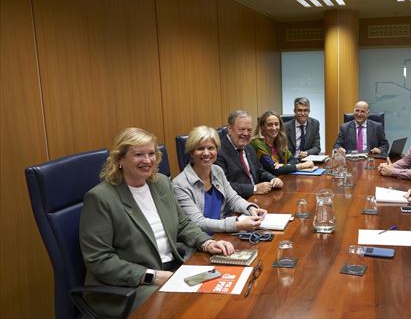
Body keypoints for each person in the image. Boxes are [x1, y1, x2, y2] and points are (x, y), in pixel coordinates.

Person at [80, 128, 234, 316]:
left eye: (151, 153)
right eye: (138, 154)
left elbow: (183, 223)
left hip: (172, 269)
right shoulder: (100, 198)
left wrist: (206, 242)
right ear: (120, 159)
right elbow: (99, 260)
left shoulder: (160, 182)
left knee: (224, 292)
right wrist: (151, 276)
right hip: (131, 286)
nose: (147, 160)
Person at [173, 125, 268, 233]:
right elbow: (198, 222)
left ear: (217, 150)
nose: (206, 153)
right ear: (191, 152)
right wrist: (236, 225)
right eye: (200, 148)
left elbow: (233, 198)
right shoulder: (179, 184)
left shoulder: (217, 170)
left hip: (223, 234)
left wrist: (250, 208)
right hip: (203, 242)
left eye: (210, 148)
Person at [215, 110, 284, 199]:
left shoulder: (249, 147)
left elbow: (259, 170)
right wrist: (254, 189)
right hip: (236, 202)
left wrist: (273, 179)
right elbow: (223, 185)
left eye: (249, 130)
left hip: (257, 198)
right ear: (230, 129)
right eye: (241, 129)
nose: (246, 134)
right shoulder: (218, 152)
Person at [250, 110, 315, 175]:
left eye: (276, 124)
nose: (274, 128)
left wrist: (284, 166)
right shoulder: (257, 143)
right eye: (270, 125)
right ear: (263, 127)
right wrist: (303, 165)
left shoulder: (279, 141)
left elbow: (293, 159)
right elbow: (274, 170)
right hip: (267, 182)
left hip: (281, 178)